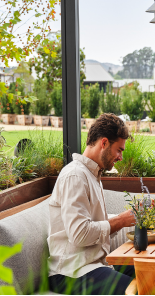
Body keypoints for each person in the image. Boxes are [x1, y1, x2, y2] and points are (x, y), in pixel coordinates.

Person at [47, 114, 136, 295]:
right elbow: (79, 234)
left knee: (151, 273)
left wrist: (127, 219)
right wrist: (119, 221)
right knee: (135, 290)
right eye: (119, 150)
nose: (120, 157)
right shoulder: (75, 176)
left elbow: (93, 222)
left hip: (95, 265)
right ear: (104, 143)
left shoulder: (92, 175)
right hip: (70, 273)